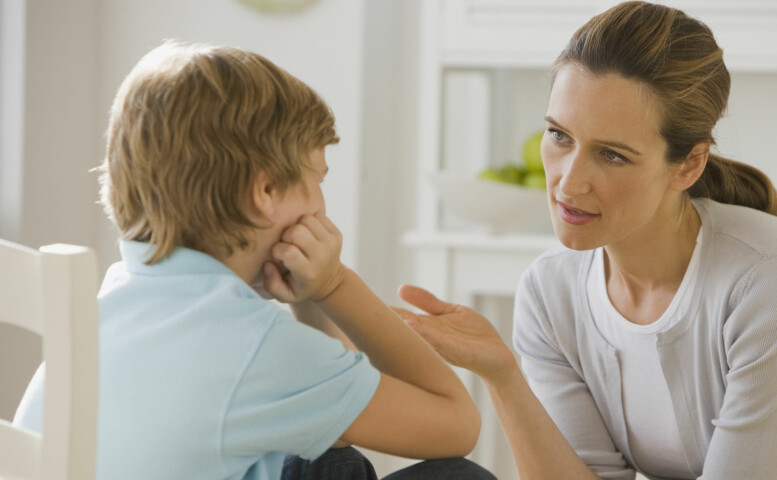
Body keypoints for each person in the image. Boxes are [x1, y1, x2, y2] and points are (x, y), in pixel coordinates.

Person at [394, 2, 777, 479]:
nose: (568, 181)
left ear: (689, 163)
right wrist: (503, 375)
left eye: (612, 153)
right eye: (559, 136)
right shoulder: (550, 293)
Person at [12, 41, 495, 480]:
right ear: (264, 191)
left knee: (331, 460)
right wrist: (333, 286)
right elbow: (457, 425)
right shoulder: (252, 345)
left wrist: (305, 302)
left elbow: (334, 424)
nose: (322, 208)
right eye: (317, 179)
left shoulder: (118, 299)